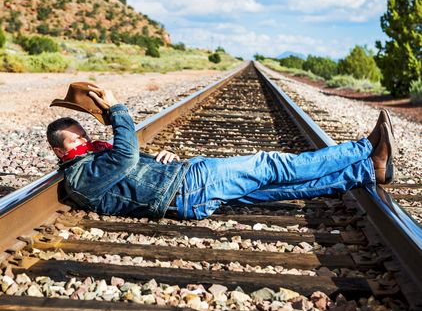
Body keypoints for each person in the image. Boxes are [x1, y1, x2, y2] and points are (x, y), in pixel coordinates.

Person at [47, 85, 395, 220]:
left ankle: (366, 172)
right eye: (75, 140)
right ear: (60, 152)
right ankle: (365, 148)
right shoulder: (81, 177)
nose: (84, 141)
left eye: (83, 134)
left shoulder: (90, 163)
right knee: (270, 164)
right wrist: (118, 110)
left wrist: (157, 158)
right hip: (190, 185)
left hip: (184, 188)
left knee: (275, 188)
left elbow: (128, 167)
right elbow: (123, 158)